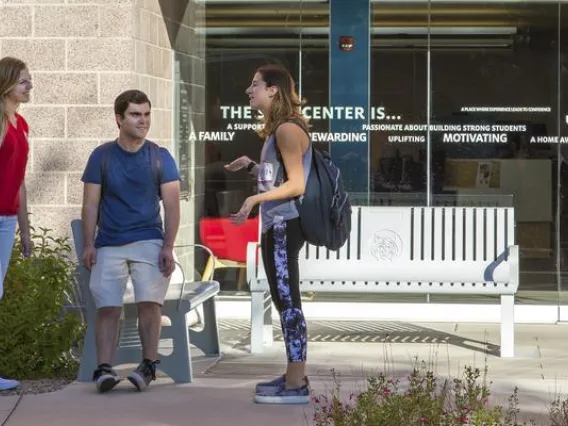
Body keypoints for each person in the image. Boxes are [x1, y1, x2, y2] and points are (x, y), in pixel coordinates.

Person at [81, 89, 181, 393]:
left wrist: (168, 246)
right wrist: (88, 244)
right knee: (108, 307)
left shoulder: (160, 157)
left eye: (147, 114)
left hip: (149, 240)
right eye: (136, 114)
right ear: (119, 119)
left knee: (150, 304)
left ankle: (148, 366)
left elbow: (173, 205)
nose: (143, 120)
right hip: (109, 243)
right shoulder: (102, 156)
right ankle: (104, 370)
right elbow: (90, 205)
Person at [225, 64, 312, 404]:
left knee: (289, 304)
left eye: (255, 84)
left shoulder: (288, 131)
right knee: (283, 301)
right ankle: (294, 375)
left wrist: (253, 198)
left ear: (273, 89)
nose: (249, 90)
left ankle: (296, 385)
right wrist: (251, 166)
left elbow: (296, 184)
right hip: (275, 225)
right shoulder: (278, 132)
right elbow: (278, 177)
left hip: (283, 226)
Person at [0, 56, 33, 391]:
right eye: (24, 81)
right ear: (7, 83)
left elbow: (20, 180)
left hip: (7, 219)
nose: (29, 86)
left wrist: (25, 228)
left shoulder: (21, 125)